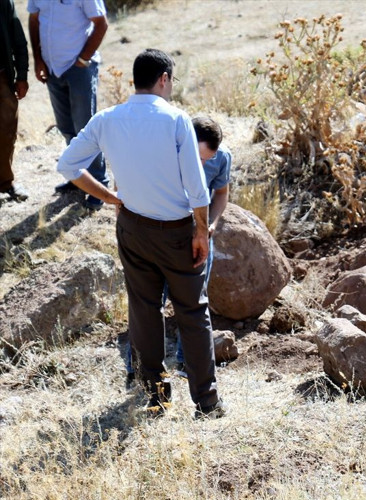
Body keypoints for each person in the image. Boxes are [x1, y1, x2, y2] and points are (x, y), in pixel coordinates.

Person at [57, 48, 225, 418]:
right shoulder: (176, 119)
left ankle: (156, 396)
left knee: (144, 310)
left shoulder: (107, 118)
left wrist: (110, 196)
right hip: (177, 232)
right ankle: (207, 403)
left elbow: (67, 164)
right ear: (164, 78)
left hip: (132, 226)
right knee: (193, 313)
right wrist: (201, 231)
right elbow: (197, 187)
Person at [123, 116, 232, 381]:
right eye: (198, 158)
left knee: (193, 303)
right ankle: (136, 369)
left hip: (198, 235)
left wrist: (210, 225)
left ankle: (187, 365)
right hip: (158, 234)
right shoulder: (158, 152)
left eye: (207, 160)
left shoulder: (222, 158)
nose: (202, 164)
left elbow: (220, 194)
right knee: (148, 303)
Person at [28, 0, 109, 210]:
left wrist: (82, 60)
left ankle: (99, 184)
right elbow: (34, 19)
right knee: (66, 127)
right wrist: (38, 59)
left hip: (79, 68)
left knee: (86, 127)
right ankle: (78, 178)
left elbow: (101, 23)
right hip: (53, 68)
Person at [0, 0, 29, 202]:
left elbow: (19, 40)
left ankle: (5, 183)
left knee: (6, 132)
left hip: (2, 77)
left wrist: (22, 75)